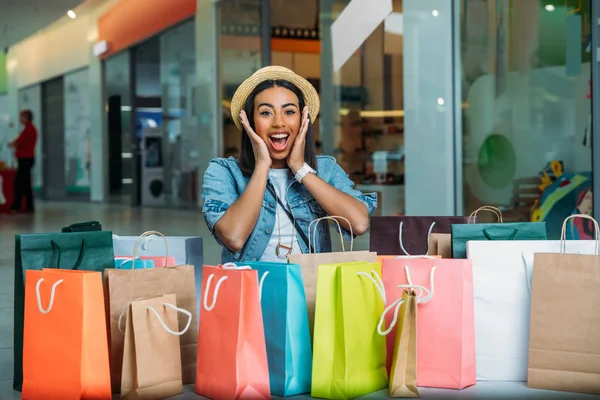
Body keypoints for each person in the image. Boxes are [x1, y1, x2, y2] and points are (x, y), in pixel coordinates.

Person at [202, 66, 377, 263]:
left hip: (308, 289)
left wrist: (300, 169)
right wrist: (262, 166)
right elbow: (234, 237)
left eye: (289, 111)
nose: (279, 122)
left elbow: (359, 223)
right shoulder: (224, 172)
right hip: (251, 289)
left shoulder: (325, 168)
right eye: (266, 113)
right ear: (250, 122)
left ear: (303, 119)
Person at [9, 109, 38, 213]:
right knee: (25, 184)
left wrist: (13, 144)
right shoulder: (28, 129)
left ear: (26, 118)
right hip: (26, 159)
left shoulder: (29, 130)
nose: (20, 119)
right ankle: (29, 206)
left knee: (19, 183)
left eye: (22, 117)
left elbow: (19, 143)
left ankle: (16, 206)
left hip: (25, 159)